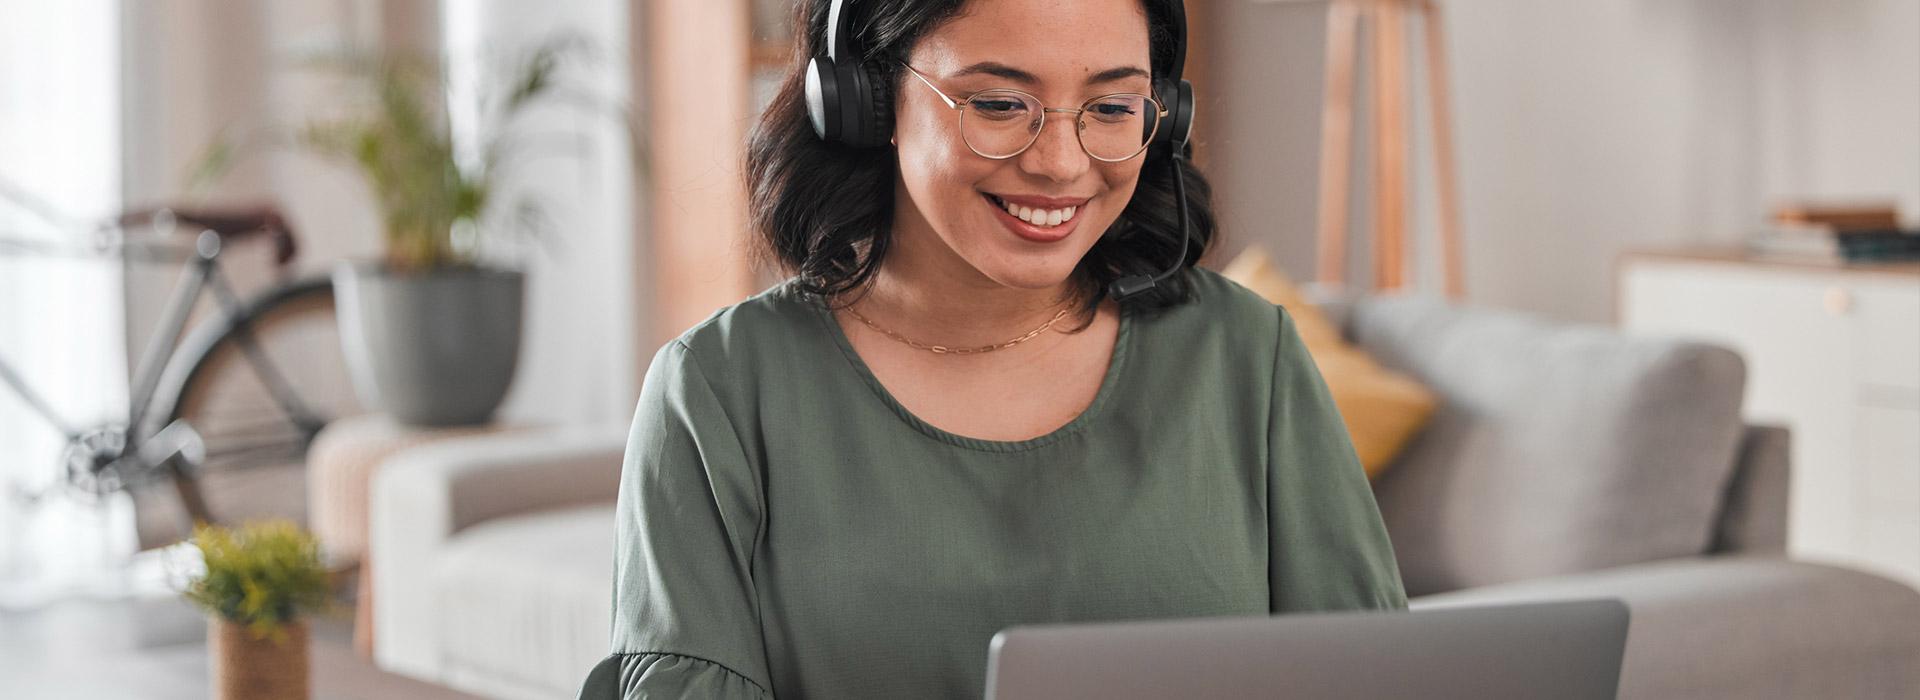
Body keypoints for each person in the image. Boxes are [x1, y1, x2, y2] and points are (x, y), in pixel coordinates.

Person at [578, 0, 1406, 697]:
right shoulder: (718, 393)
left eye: (1112, 108)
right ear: (868, 99)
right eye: (1001, 104)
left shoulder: (1246, 359)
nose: (1060, 162)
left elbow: (1378, 679)